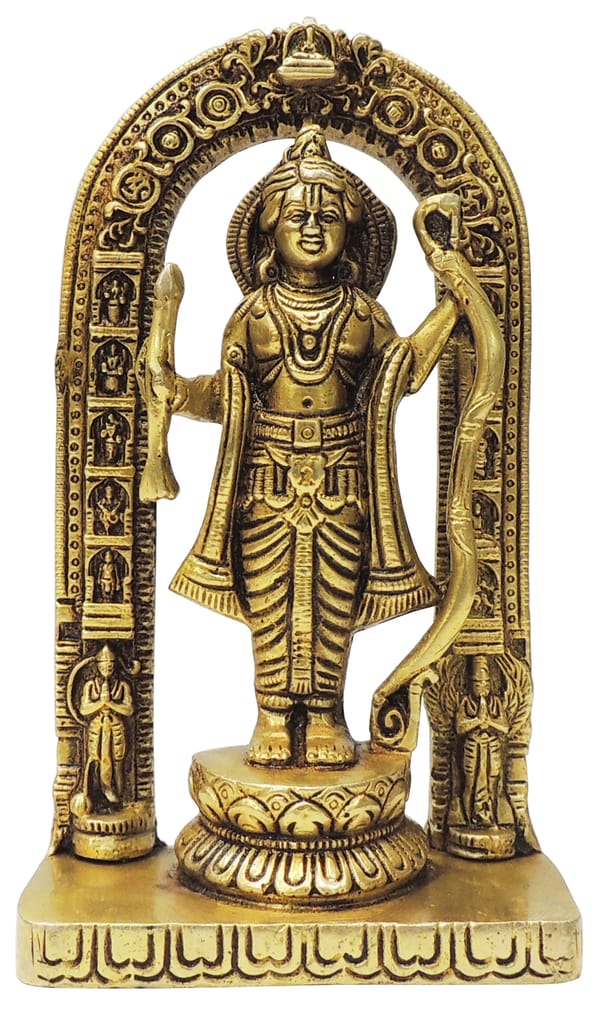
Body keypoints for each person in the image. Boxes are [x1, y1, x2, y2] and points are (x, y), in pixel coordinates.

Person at [149, 127, 490, 767]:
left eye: (328, 217)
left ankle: (328, 714)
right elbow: (228, 393)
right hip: (267, 479)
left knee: (335, 595)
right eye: (297, 216)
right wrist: (178, 393)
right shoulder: (253, 315)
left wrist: (452, 304)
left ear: (351, 236)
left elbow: (404, 371)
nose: (312, 228)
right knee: (271, 597)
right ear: (269, 231)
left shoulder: (362, 314)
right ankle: (274, 715)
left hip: (343, 478)